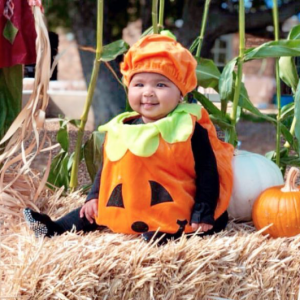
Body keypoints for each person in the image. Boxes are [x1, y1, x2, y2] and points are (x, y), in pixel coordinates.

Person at [24, 34, 234, 245]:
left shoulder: (189, 128)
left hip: (174, 203)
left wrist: (203, 210)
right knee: (89, 213)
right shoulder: (121, 128)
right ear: (128, 87)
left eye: (161, 85)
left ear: (181, 93)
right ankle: (55, 228)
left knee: (207, 221)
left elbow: (208, 171)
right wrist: (94, 197)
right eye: (139, 84)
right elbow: (108, 168)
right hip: (127, 201)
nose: (148, 93)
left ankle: (167, 234)